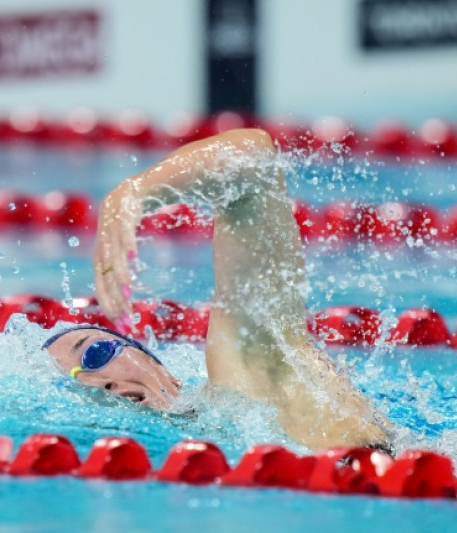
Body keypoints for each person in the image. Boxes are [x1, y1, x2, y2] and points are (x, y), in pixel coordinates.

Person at [43, 128, 392, 450]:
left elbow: (255, 160)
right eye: (69, 387)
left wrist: (129, 195)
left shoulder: (246, 388)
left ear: (159, 365)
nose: (94, 384)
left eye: (95, 353)